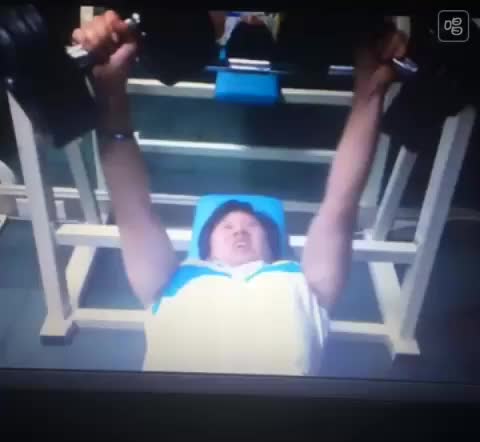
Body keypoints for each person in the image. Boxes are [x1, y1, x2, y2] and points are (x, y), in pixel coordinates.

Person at [72, 11, 407, 375]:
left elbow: (340, 205)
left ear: (275, 247)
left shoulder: (306, 284)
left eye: (250, 225)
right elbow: (131, 207)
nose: (239, 230)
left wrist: (371, 90)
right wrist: (110, 93)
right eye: (227, 226)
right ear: (204, 248)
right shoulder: (169, 281)